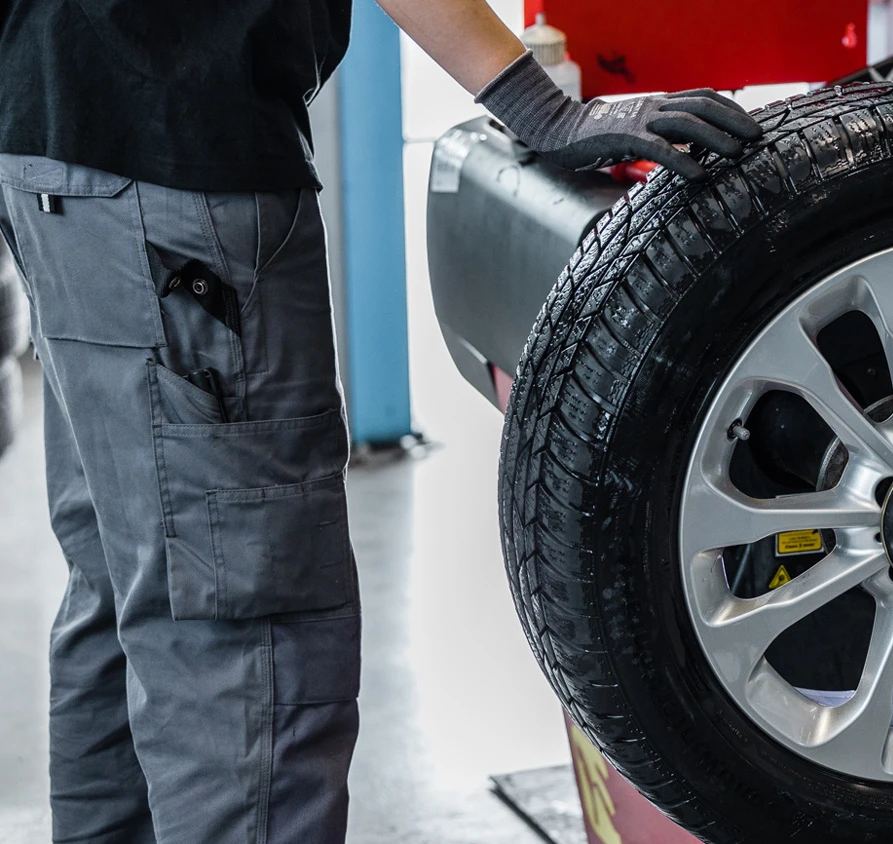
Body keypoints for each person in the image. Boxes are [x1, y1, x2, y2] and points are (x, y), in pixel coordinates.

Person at [0, 1, 762, 842]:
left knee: (129, 591)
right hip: (176, 176)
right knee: (250, 648)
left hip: (61, 154)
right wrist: (541, 107)